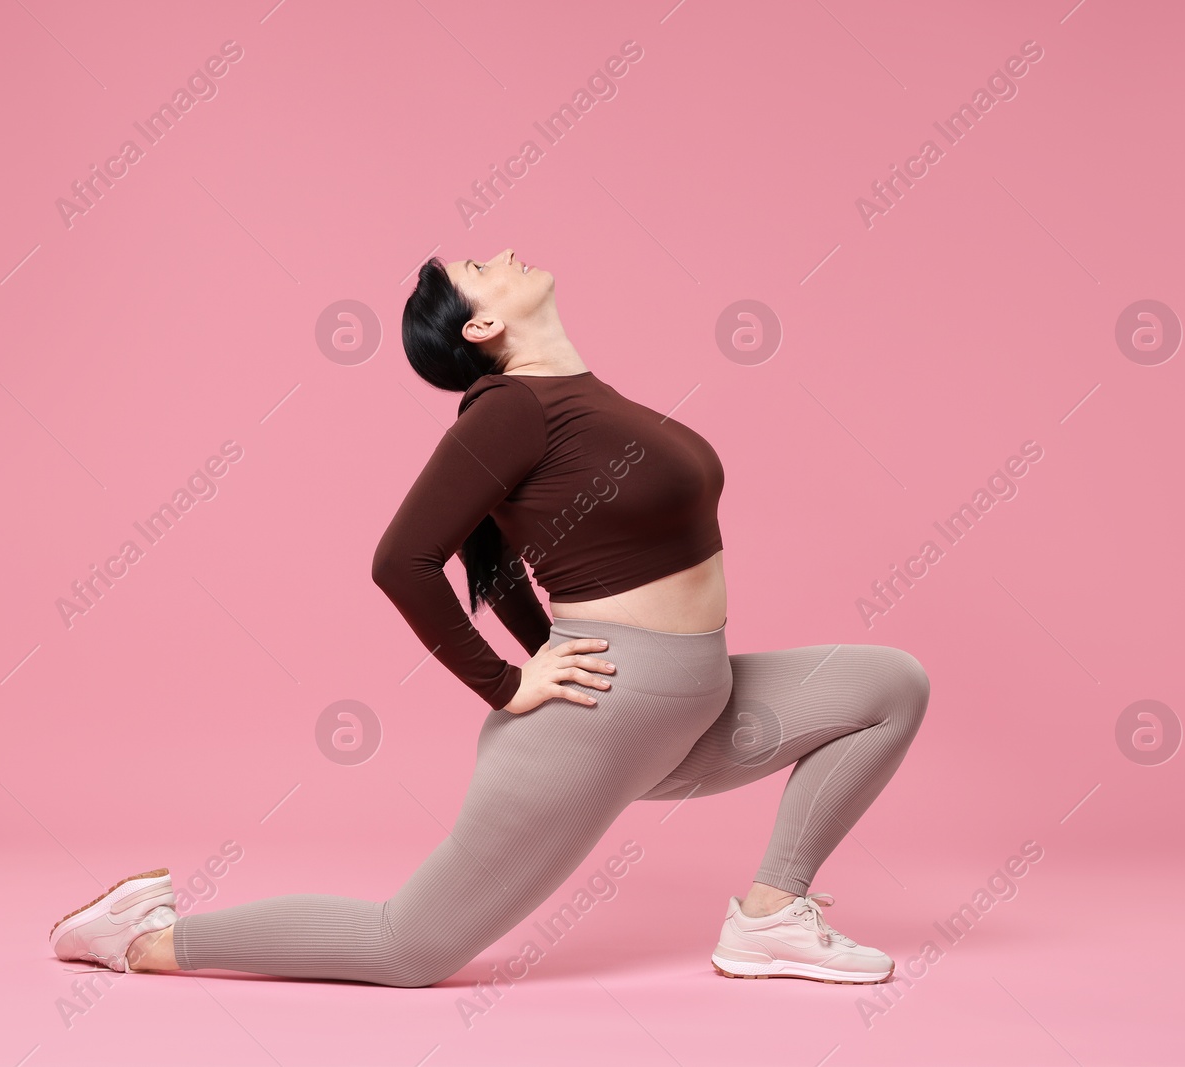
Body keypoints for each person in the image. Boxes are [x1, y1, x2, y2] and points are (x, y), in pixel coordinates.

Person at [48, 248, 930, 986]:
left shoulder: (582, 397)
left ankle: (771, 916)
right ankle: (141, 937)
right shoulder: (512, 407)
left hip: (692, 700)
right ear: (480, 327)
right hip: (601, 722)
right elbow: (401, 560)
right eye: (479, 266)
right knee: (411, 947)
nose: (501, 253)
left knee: (888, 684)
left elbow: (496, 549)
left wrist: (543, 641)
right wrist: (512, 682)